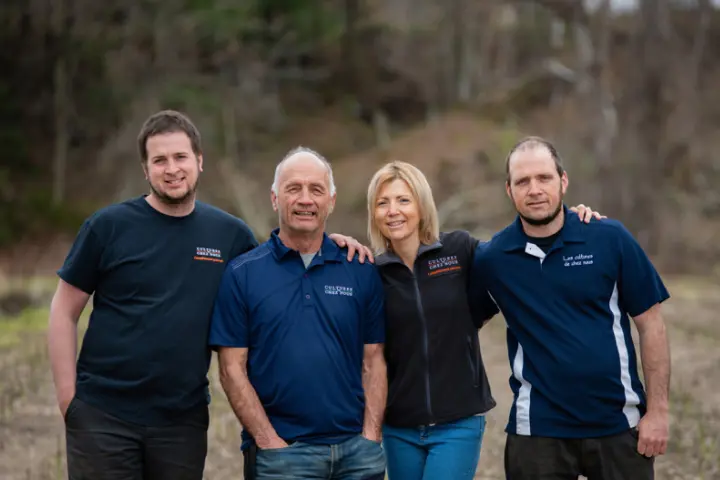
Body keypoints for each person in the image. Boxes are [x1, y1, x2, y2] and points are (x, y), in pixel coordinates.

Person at [47, 112, 370, 479]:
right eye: (160, 160)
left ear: (199, 161)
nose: (172, 169)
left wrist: (337, 245)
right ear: (145, 169)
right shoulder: (108, 227)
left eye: (180, 157)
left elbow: (282, 259)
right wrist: (68, 400)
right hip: (104, 416)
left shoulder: (229, 235)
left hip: (181, 423)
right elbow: (63, 310)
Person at [365, 160, 601, 480]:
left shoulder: (459, 249)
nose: (393, 210)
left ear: (422, 204)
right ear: (374, 213)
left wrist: (568, 221)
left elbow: (515, 254)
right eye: (383, 203)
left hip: (457, 423)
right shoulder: (370, 273)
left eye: (403, 200)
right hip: (399, 427)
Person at [470, 136, 671, 480]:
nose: (534, 189)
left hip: (617, 422)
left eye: (544, 178)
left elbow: (651, 325)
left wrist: (658, 412)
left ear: (563, 181)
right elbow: (457, 322)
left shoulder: (609, 238)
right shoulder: (493, 259)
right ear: (509, 190)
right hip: (537, 430)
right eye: (523, 181)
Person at [208, 147, 388, 480]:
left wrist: (371, 436)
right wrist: (268, 440)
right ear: (275, 199)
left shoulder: (360, 269)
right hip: (283, 456)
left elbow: (373, 360)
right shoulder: (242, 274)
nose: (305, 199)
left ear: (330, 201)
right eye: (294, 188)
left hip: (356, 454)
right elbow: (232, 368)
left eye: (316, 189)